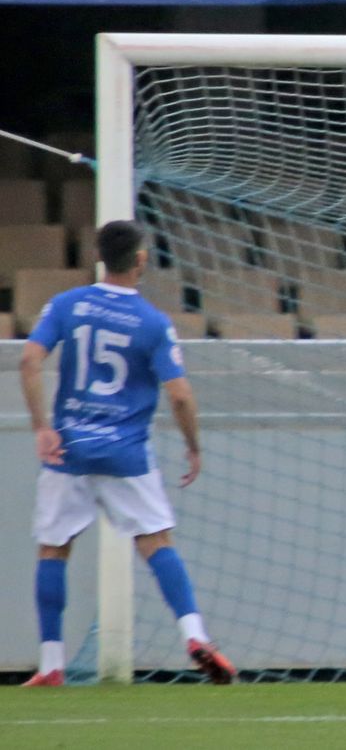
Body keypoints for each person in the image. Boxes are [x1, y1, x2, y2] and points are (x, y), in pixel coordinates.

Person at [19, 221, 234, 687]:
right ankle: (195, 636)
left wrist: (41, 427)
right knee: (156, 541)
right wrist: (194, 447)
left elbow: (29, 360)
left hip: (68, 448)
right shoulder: (154, 323)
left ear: (100, 258)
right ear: (140, 260)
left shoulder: (66, 304)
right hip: (126, 454)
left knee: (54, 549)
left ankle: (52, 663)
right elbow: (179, 395)